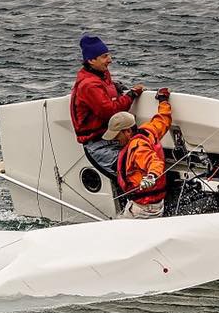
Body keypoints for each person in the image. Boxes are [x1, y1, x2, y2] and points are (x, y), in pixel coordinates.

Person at [69, 34, 145, 179]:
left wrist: (115, 87)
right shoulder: (89, 85)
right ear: (91, 60)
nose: (110, 60)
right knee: (134, 173)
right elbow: (110, 111)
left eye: (108, 55)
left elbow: (106, 89)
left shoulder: (102, 73)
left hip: (112, 135)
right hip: (99, 143)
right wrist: (131, 95)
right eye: (104, 56)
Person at [106, 87, 172, 219]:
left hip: (144, 208)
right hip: (151, 203)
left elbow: (154, 162)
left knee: (118, 229)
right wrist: (163, 100)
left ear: (128, 131)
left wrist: (151, 176)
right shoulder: (148, 131)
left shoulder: (137, 147)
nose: (114, 140)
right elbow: (163, 119)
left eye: (116, 136)